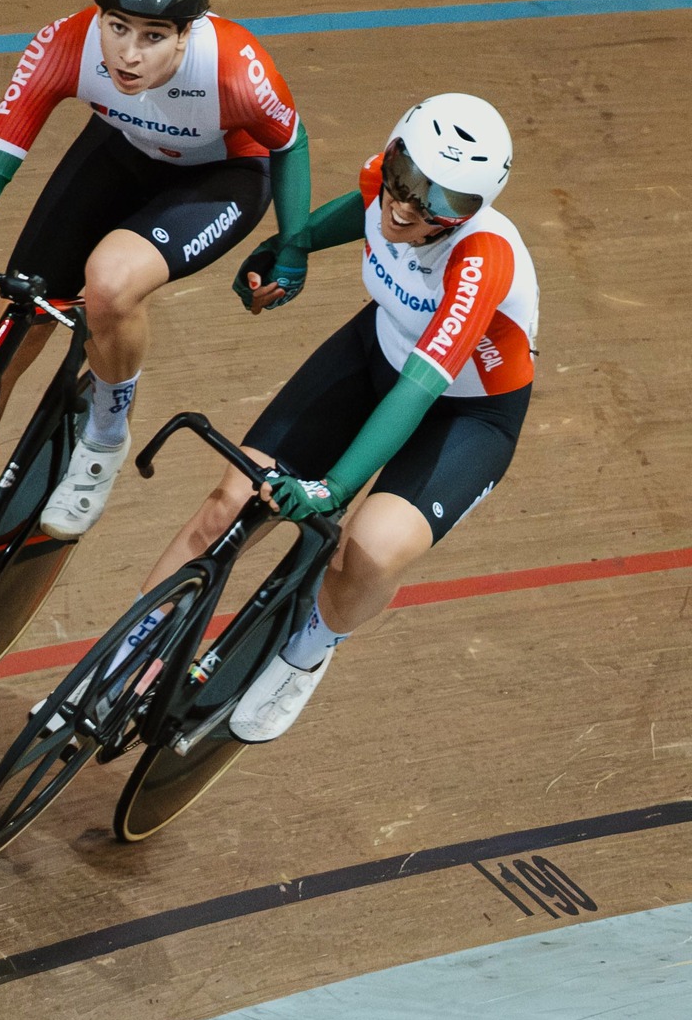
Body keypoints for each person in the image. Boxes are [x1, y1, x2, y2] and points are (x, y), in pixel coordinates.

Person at [0, 0, 312, 577]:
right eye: (118, 26)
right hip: (121, 153)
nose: (129, 54)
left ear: (189, 31)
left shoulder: (234, 66)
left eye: (155, 36)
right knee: (3, 340)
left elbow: (289, 143)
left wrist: (293, 248)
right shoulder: (66, 44)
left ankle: (105, 433)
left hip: (219, 178)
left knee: (108, 280)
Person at [141, 93, 534, 740]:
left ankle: (307, 650)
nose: (408, 206)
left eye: (444, 202)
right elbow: (363, 211)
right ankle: (130, 653)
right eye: (405, 180)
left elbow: (419, 385)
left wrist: (335, 487)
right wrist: (291, 247)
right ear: (396, 154)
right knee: (230, 503)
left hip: (465, 412)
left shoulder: (482, 258)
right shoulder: (384, 184)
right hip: (375, 350)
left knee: (369, 552)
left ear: (472, 210)